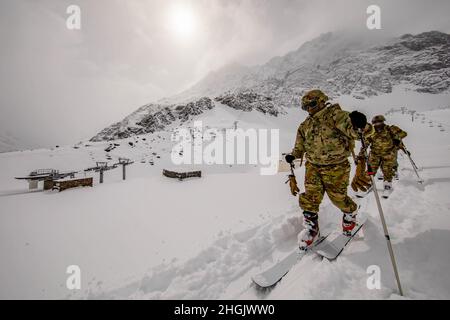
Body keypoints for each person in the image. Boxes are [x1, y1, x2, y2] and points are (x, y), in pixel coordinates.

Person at [285, 89, 373, 249]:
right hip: (313, 167)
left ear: (321, 101)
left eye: (311, 104)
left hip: (336, 167)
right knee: (310, 198)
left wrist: (361, 125)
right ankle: (312, 229)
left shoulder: (337, 116)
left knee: (338, 198)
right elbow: (299, 147)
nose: (309, 109)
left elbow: (356, 132)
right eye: (305, 107)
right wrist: (293, 155)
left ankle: (350, 213)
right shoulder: (305, 125)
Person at [366, 115, 407, 198]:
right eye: (376, 123)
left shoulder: (390, 129)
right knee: (371, 169)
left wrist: (397, 138)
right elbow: (365, 142)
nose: (378, 124)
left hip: (388, 154)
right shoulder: (371, 132)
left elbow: (404, 134)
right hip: (375, 154)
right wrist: (361, 152)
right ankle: (368, 184)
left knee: (387, 170)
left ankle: (387, 186)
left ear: (383, 121)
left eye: (380, 122)